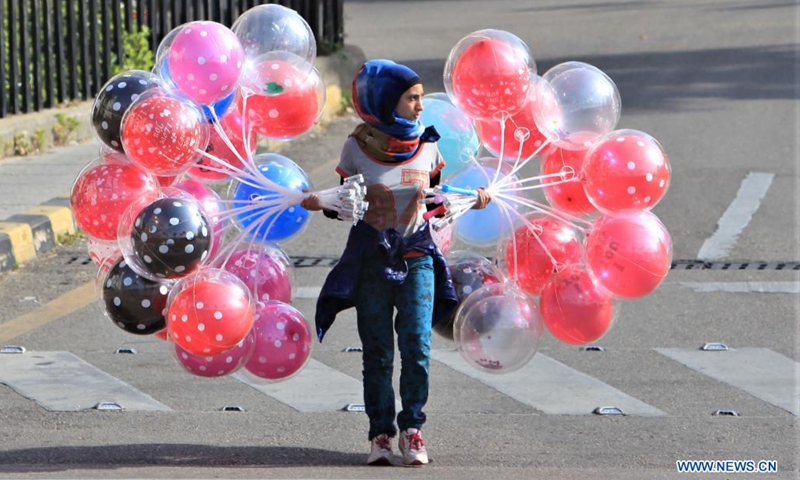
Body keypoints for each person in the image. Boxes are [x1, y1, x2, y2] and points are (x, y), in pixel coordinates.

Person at [302, 59, 491, 466]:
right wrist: (319, 204)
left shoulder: (428, 144)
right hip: (371, 261)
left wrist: (472, 200)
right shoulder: (357, 146)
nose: (420, 106)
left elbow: (437, 205)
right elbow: (344, 206)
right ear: (386, 101)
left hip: (418, 257)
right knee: (378, 353)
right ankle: (381, 435)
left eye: (421, 97)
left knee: (417, 347)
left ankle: (413, 429)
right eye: (412, 98)